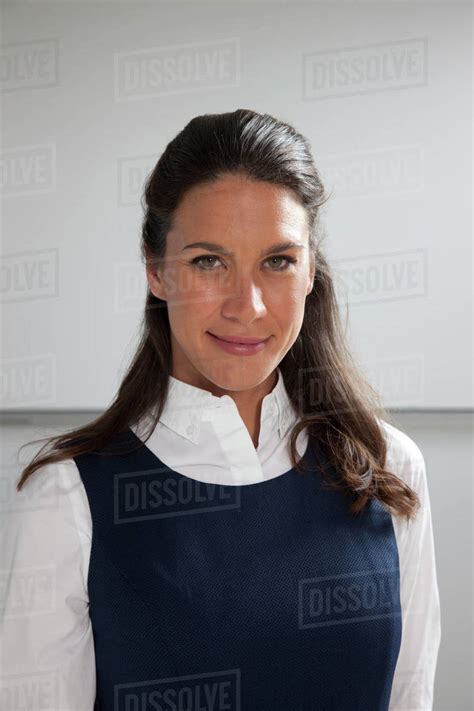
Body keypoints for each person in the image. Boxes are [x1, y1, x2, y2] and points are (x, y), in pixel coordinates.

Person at [1, 109, 441, 710]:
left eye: (278, 261)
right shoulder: (67, 495)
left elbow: (410, 697)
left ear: (311, 270)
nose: (248, 305)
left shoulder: (388, 468)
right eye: (209, 261)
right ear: (157, 271)